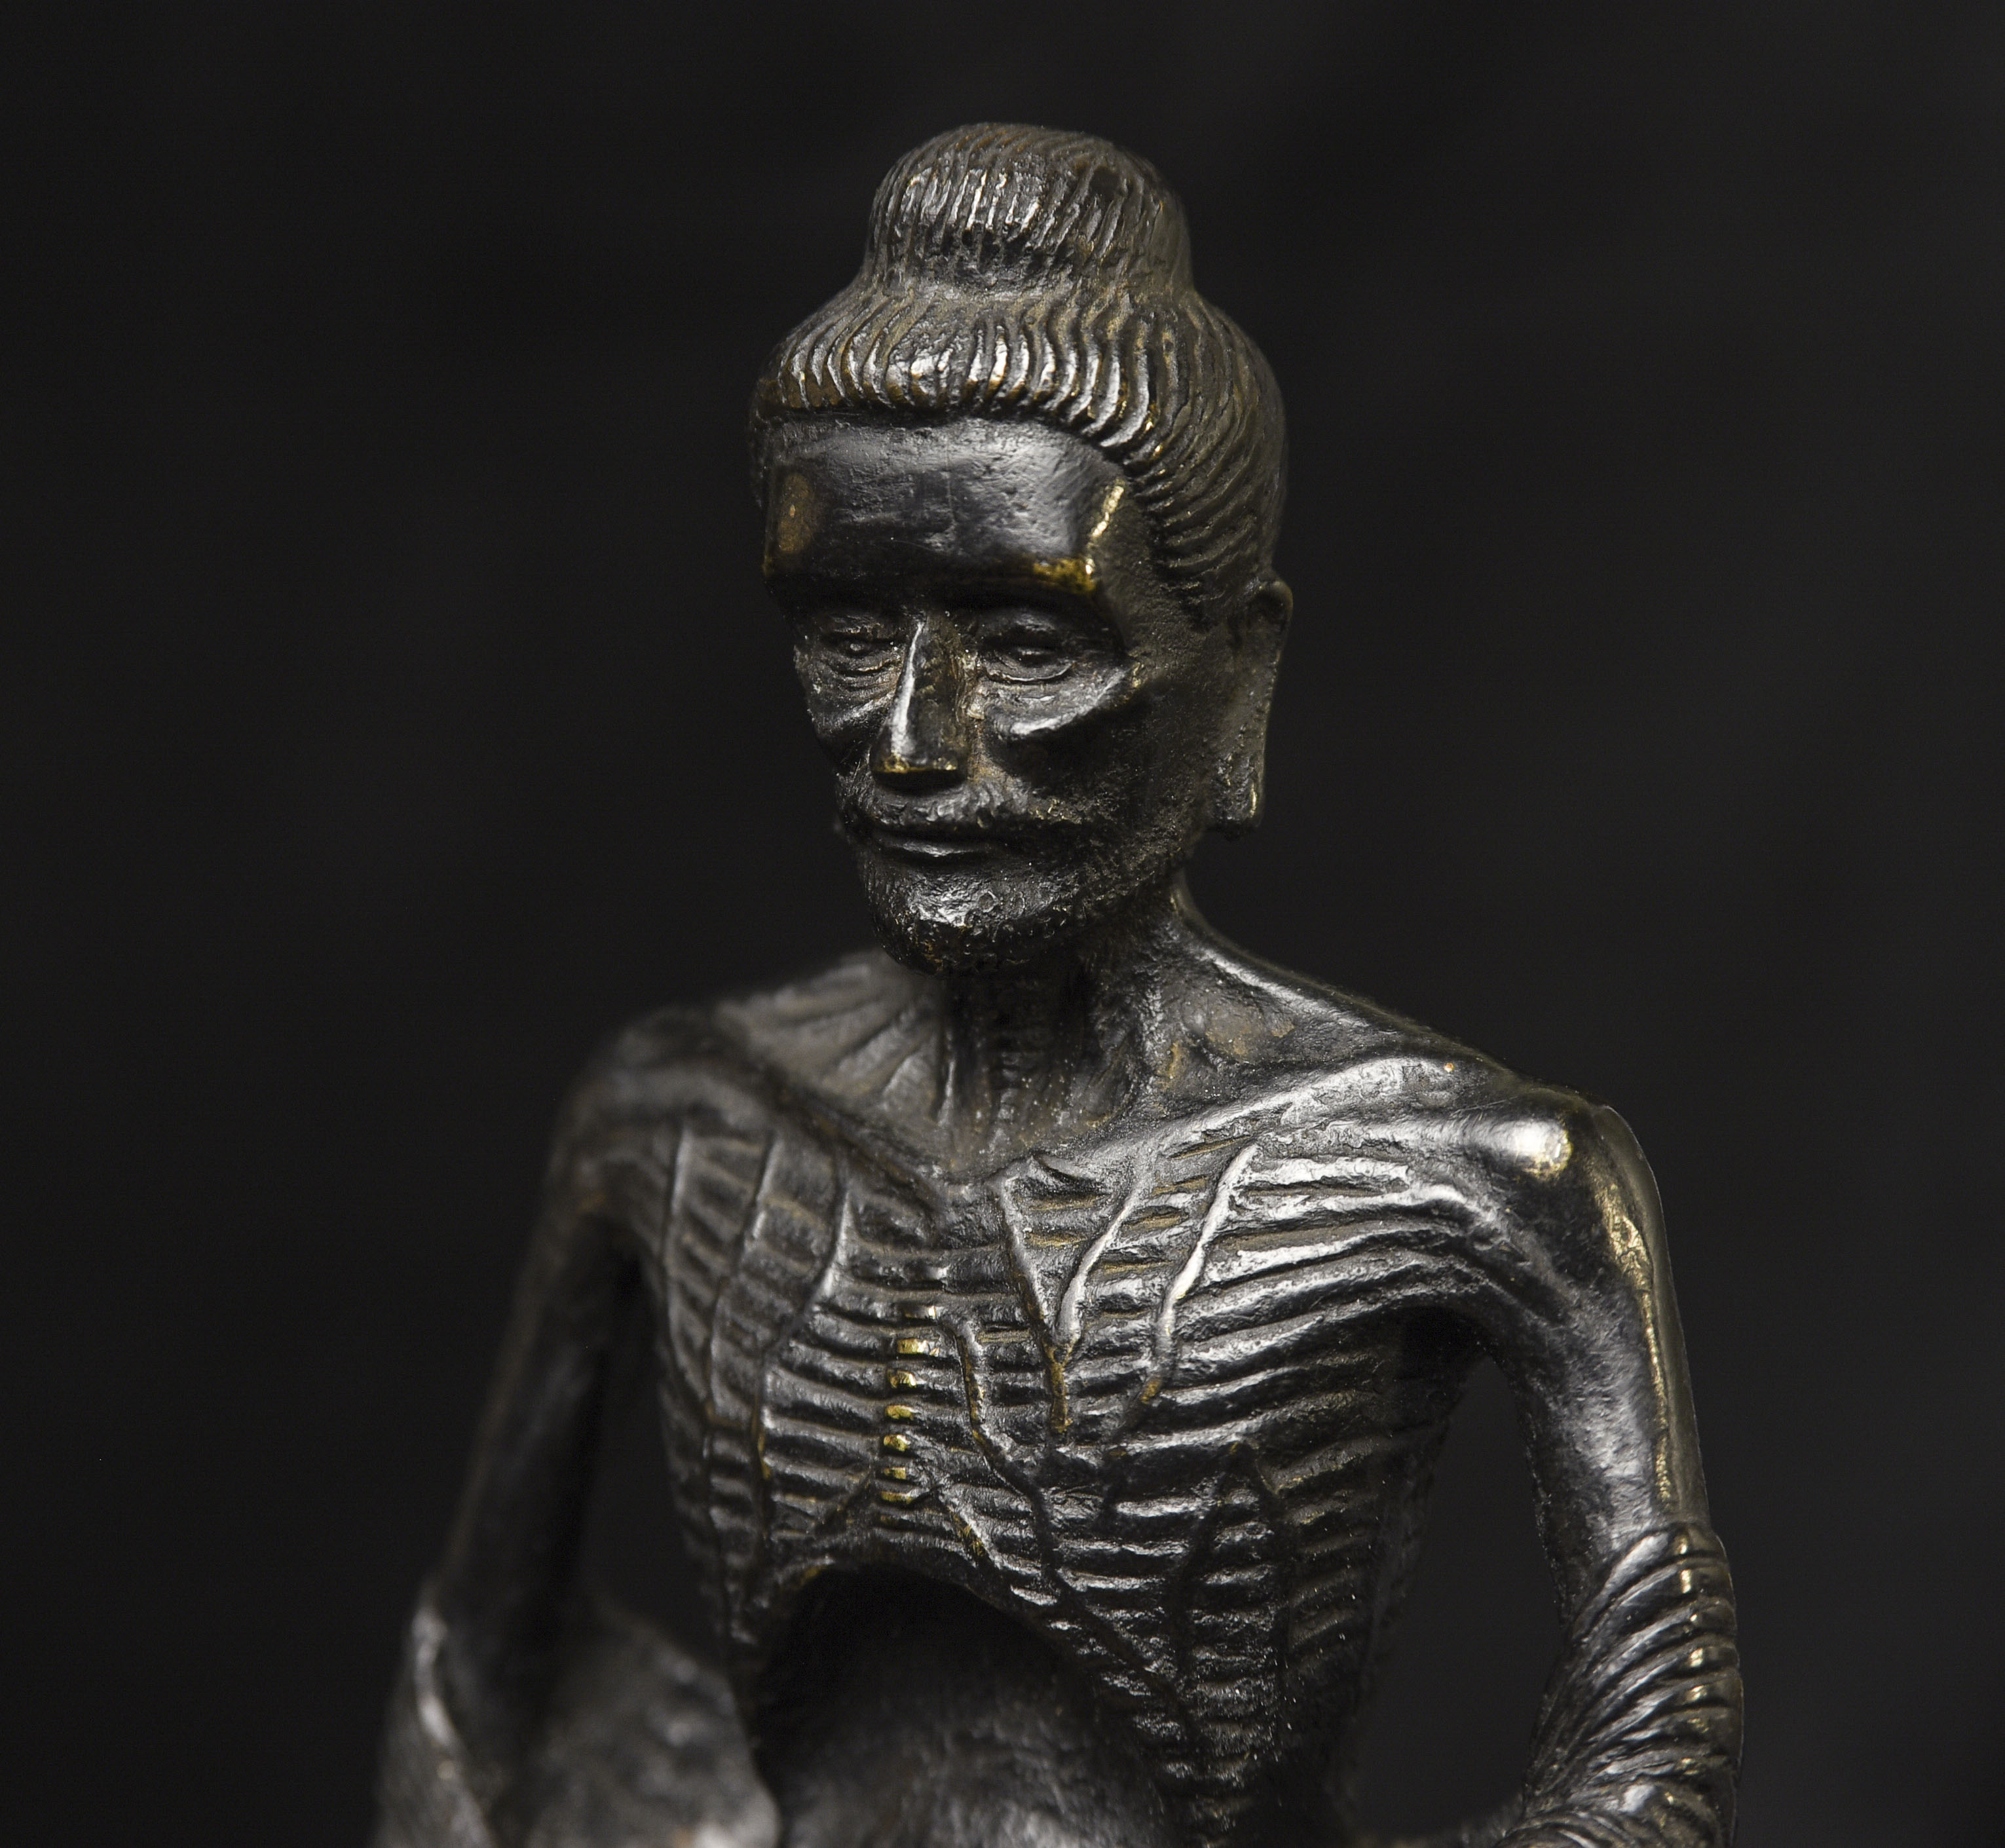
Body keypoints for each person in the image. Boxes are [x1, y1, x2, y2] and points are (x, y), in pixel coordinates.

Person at [374, 124, 1741, 1848]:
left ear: (1239, 673)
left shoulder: (1477, 1182)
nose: (907, 739)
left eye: (1028, 643)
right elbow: (478, 1688)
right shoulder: (674, 1124)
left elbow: (1648, 1780)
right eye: (845, 633)